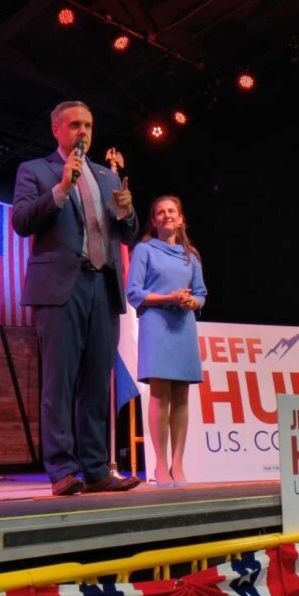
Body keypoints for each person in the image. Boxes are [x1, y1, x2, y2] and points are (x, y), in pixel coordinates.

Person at [11, 101, 141, 496]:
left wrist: (129, 212)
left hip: (103, 286)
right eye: (74, 125)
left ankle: (97, 468)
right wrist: (62, 187)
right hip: (60, 287)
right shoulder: (35, 171)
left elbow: (127, 233)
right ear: (57, 129)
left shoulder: (106, 175)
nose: (82, 132)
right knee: (60, 381)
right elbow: (21, 221)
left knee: (97, 383)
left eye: (88, 125)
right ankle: (64, 470)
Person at [126, 196, 207, 486]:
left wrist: (191, 303)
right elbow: (133, 292)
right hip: (156, 323)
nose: (166, 215)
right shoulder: (144, 250)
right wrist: (169, 298)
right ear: (154, 221)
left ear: (181, 218)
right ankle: (161, 465)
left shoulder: (191, 255)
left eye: (171, 211)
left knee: (182, 396)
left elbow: (201, 293)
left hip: (183, 326)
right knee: (160, 395)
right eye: (160, 212)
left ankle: (178, 464)